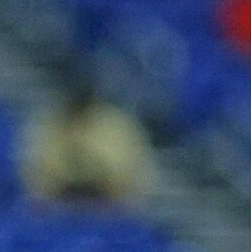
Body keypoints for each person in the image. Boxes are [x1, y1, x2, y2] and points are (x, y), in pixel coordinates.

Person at [20, 76, 155, 206]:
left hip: (109, 206)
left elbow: (129, 176)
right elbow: (37, 175)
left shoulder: (116, 125)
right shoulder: (49, 124)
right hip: (60, 205)